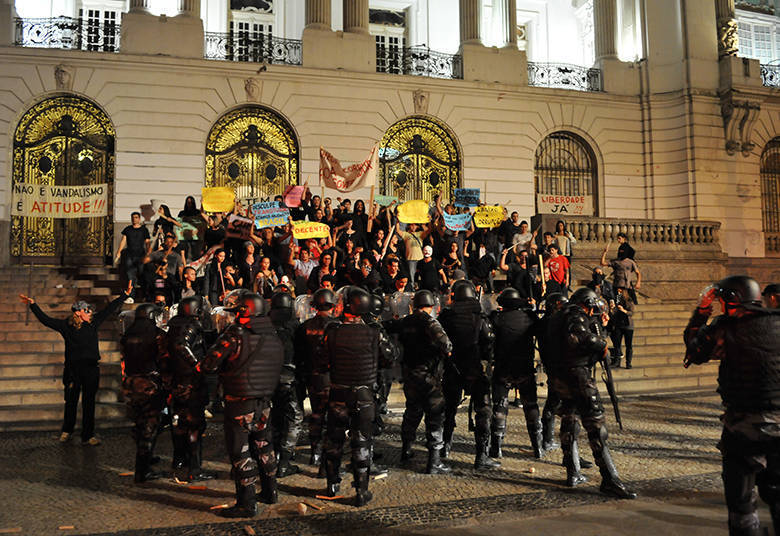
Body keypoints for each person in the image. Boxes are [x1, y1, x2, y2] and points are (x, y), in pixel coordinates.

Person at [684, 275, 780, 536]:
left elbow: (694, 350)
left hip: (744, 427)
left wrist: (703, 310)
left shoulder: (725, 328)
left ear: (731, 300)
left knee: (742, 506)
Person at [546, 287, 636, 498]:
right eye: (591, 308)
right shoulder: (575, 315)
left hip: (560, 374)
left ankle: (573, 470)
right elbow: (583, 339)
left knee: (570, 418)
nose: (592, 312)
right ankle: (609, 478)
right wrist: (603, 344)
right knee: (595, 425)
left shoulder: (558, 316)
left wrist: (601, 327)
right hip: (577, 374)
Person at [201, 291, 285, 518]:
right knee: (264, 446)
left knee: (240, 451)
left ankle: (246, 503)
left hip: (240, 401)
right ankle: (270, 491)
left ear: (243, 312)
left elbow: (209, 363)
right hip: (265, 402)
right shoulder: (273, 336)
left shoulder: (236, 334)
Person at [20, 282, 131, 445]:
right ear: (78, 313)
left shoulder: (93, 323)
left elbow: (109, 309)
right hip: (73, 370)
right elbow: (46, 320)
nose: (90, 312)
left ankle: (88, 435)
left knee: (89, 403)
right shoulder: (66, 326)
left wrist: (125, 295)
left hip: (91, 369)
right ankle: (67, 431)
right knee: (71, 402)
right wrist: (33, 305)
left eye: (90, 310)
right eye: (87, 310)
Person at [319, 286, 393, 506]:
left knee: (334, 441)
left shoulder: (332, 331)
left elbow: (321, 361)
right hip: (364, 395)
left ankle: (332, 486)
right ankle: (361, 491)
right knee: (362, 443)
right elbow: (389, 358)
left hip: (339, 393)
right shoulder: (374, 332)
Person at [386, 289, 453, 474]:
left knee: (412, 412)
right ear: (431, 306)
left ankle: (406, 450)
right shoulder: (430, 322)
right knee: (434, 417)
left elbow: (389, 326)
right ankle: (434, 461)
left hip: (410, 374)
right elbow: (446, 344)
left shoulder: (406, 321)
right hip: (429, 376)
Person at [438, 280, 498, 470]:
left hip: (452, 368)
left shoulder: (446, 317)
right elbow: (488, 344)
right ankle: (481, 455)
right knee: (483, 410)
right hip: (474, 369)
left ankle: (444, 447)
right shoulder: (479, 318)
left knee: (449, 409)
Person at [489, 287, 543, 459]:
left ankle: (496, 447)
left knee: (499, 406)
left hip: (503, 367)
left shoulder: (497, 319)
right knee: (531, 406)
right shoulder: (529, 318)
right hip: (524, 367)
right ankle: (538, 447)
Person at [166, 296, 213, 481]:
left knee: (181, 423)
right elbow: (181, 346)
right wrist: (198, 365)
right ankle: (195, 469)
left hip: (179, 381)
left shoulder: (174, 326)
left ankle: (180, 459)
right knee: (194, 425)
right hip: (190, 383)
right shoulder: (190, 325)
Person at [294, 288, 339, 475]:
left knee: (317, 414)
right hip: (333, 378)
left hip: (313, 378)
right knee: (334, 418)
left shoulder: (305, 326)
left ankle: (315, 452)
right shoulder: (337, 326)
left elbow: (299, 354)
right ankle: (327, 459)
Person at [120, 303, 167, 483]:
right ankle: (143, 470)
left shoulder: (128, 335)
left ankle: (146, 459)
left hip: (131, 384)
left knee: (139, 423)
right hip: (149, 385)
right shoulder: (156, 335)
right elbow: (164, 361)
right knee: (149, 426)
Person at [268, 291, 303, 478]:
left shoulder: (264, 325)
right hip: (288, 379)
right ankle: (284, 461)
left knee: (274, 417)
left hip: (266, 380)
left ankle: (273, 455)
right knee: (294, 418)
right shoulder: (294, 326)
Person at [115, 212, 150, 301]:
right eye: (133, 218)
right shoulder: (127, 229)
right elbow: (123, 241)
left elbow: (147, 242)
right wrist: (118, 252)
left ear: (139, 219)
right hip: (130, 255)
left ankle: (144, 295)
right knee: (130, 275)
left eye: (136, 217)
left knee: (142, 274)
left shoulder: (144, 230)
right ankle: (131, 296)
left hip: (141, 255)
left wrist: (148, 254)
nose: (134, 219)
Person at [609, 287, 635, 369]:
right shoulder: (617, 299)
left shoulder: (629, 301)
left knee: (628, 345)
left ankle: (628, 362)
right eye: (618, 291)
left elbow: (631, 312)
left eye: (620, 291)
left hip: (628, 325)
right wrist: (612, 308)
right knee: (617, 344)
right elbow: (614, 313)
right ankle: (617, 362)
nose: (618, 292)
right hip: (618, 324)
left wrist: (623, 310)